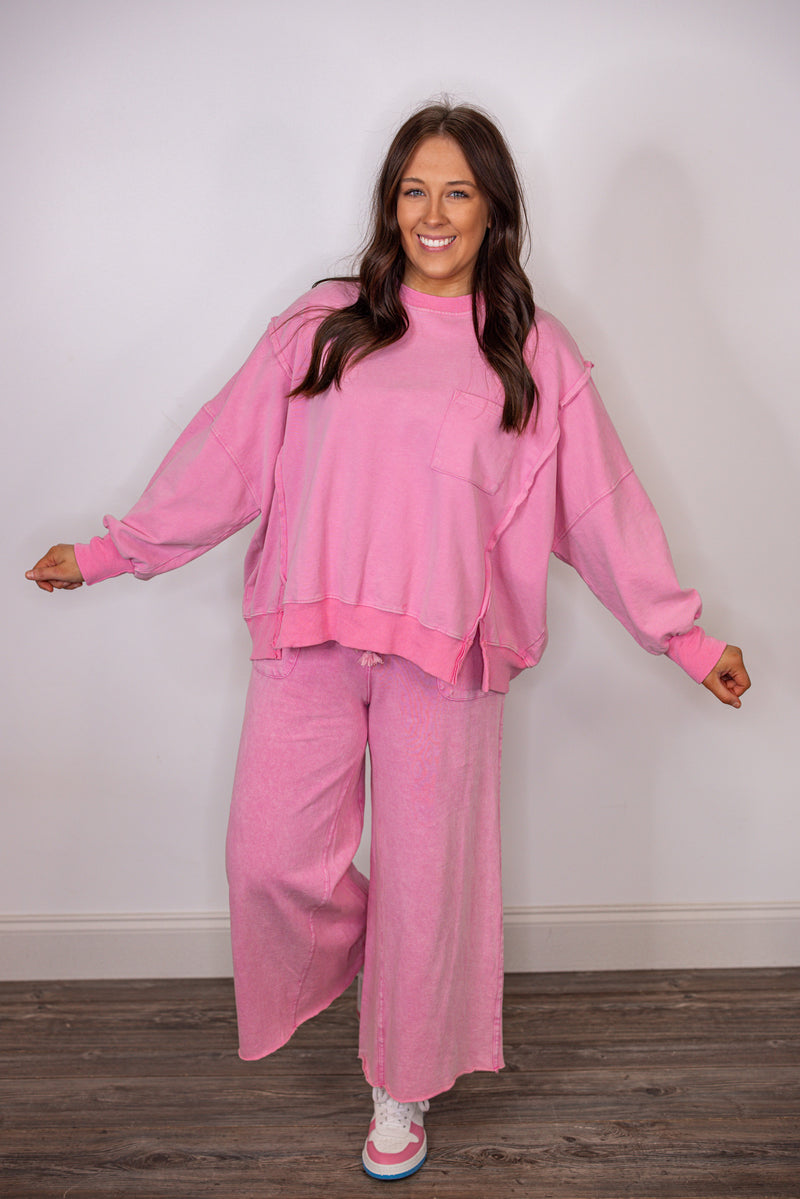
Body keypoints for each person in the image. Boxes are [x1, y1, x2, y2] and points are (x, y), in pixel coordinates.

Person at [26, 100, 750, 1181]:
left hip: (447, 655)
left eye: (458, 191)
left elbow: (601, 509)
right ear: (389, 203)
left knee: (426, 881)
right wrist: (108, 552)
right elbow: (224, 457)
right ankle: (398, 956)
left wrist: (682, 639)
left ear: (494, 209)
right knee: (268, 859)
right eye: (415, 189)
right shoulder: (324, 323)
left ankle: (398, 1087)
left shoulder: (531, 351)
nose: (433, 212)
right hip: (309, 633)